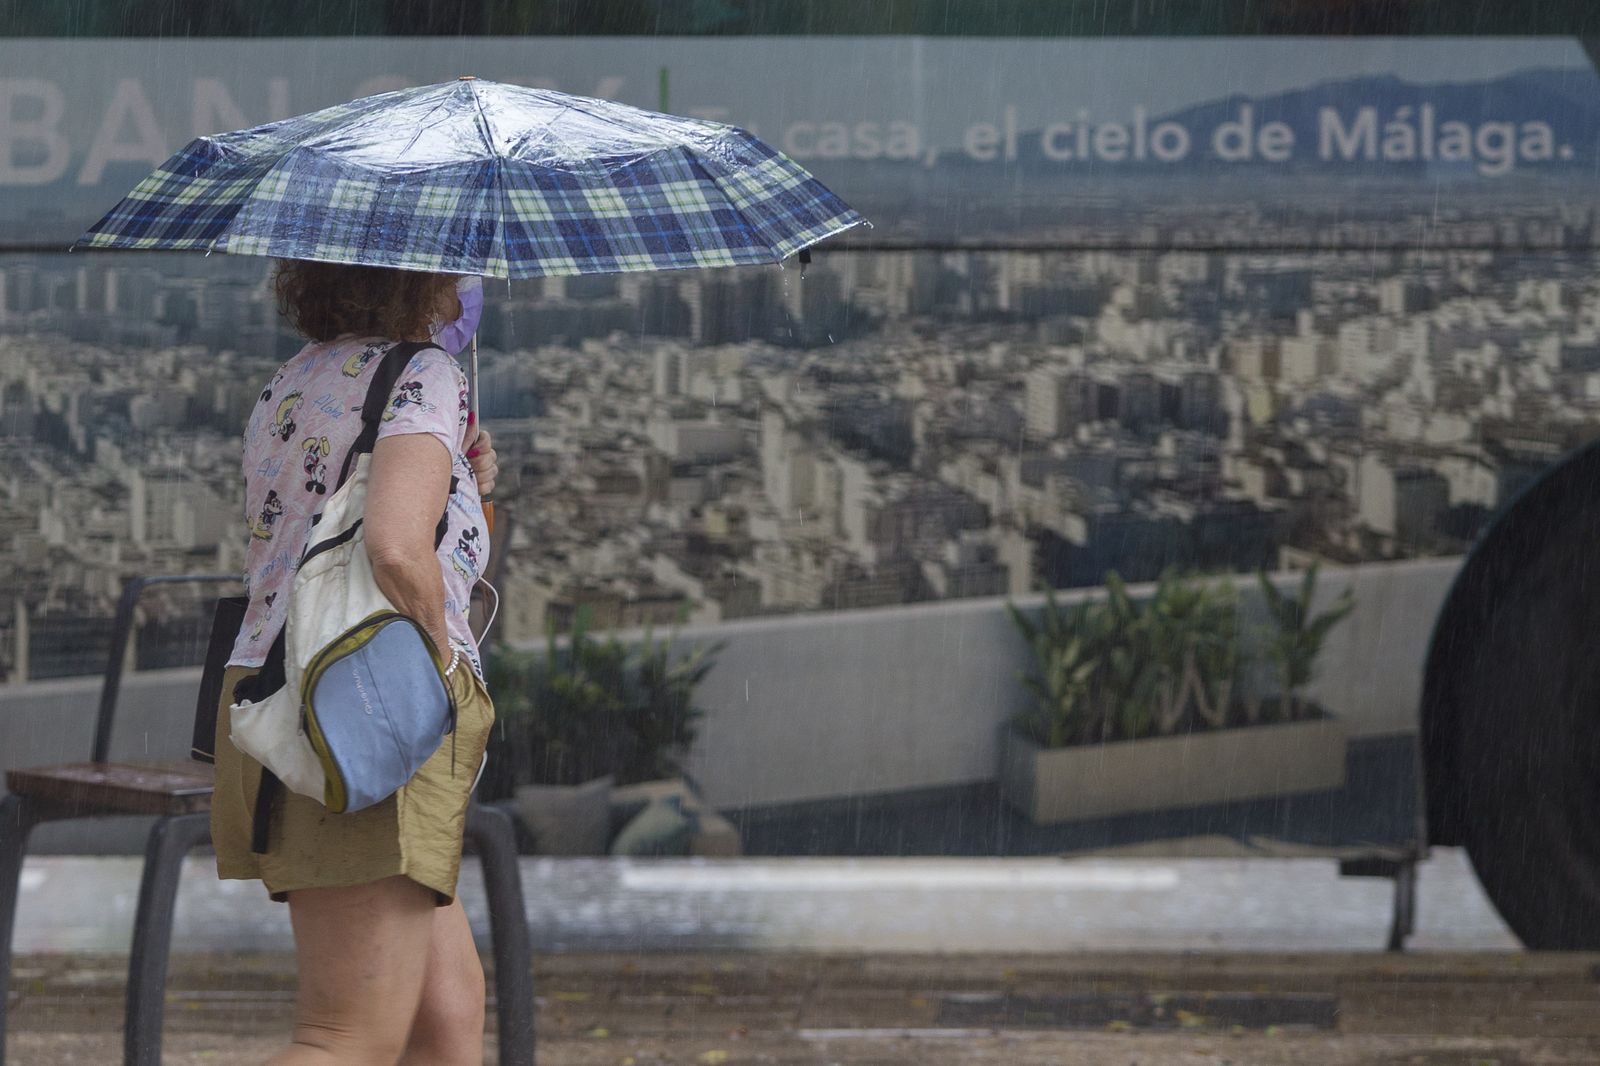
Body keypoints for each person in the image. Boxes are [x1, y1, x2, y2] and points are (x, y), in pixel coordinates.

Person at [211, 261, 501, 1065]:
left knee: (443, 1021)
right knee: (348, 1037)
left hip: (279, 683)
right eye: (453, 272)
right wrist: (443, 660)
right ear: (423, 284)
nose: (463, 289)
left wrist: (466, 483)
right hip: (360, 690)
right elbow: (395, 550)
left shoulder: (294, 381)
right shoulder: (424, 373)